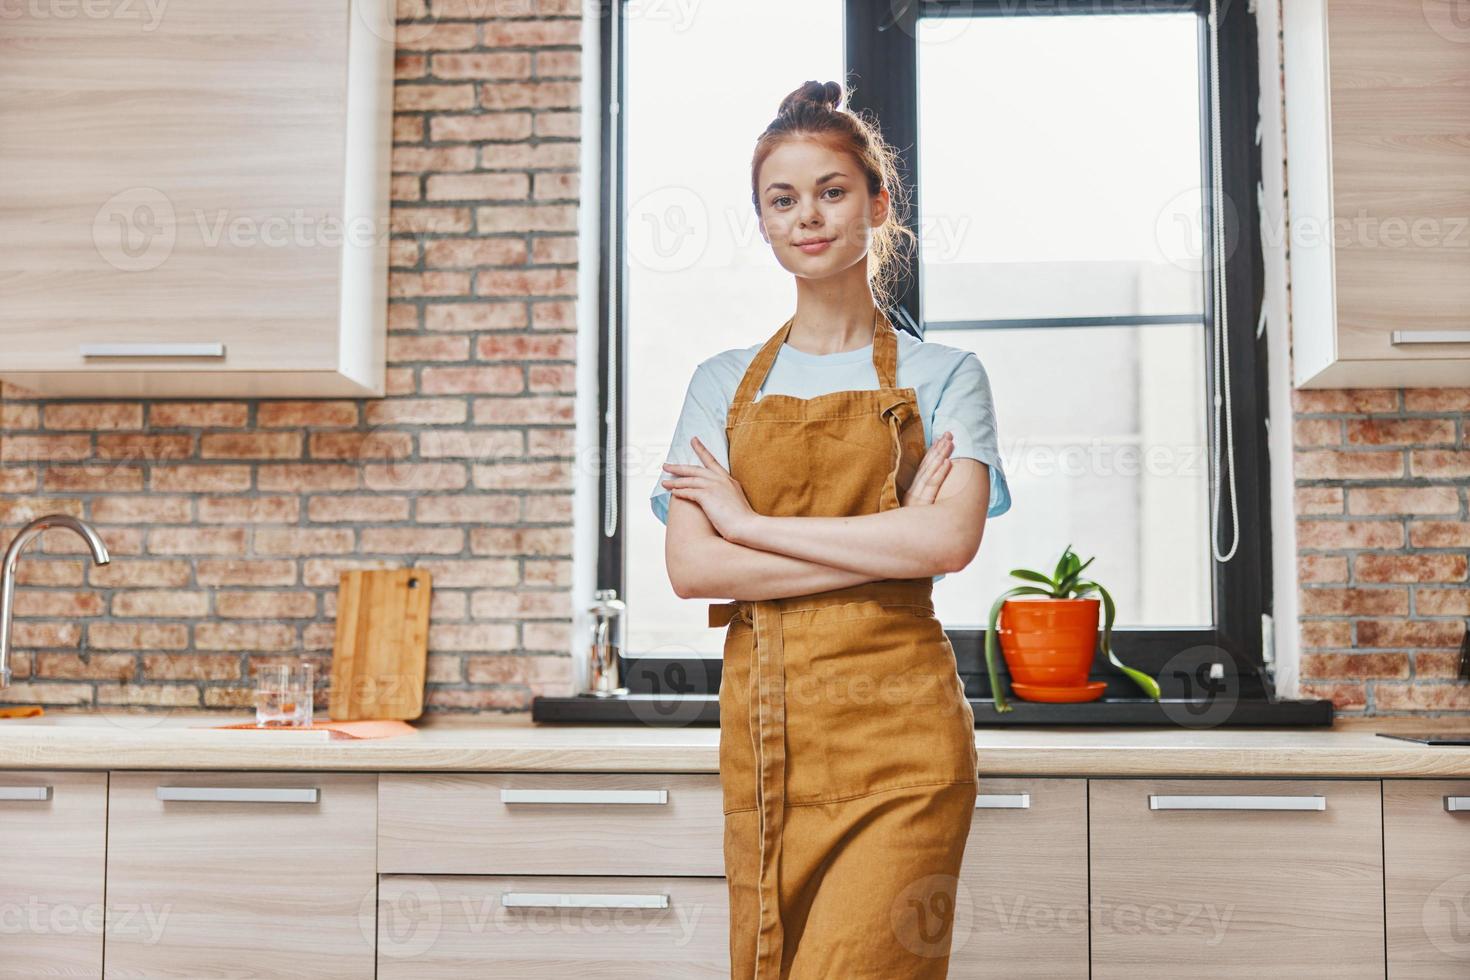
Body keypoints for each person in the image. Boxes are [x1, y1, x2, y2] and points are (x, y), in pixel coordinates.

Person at [652, 78, 1010, 979]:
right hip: (767, 740)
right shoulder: (720, 382)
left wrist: (750, 525)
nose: (807, 216)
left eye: (832, 190)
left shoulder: (947, 375)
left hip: (904, 743)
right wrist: (887, 538)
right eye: (782, 200)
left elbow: (947, 546)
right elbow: (695, 569)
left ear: (876, 202)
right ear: (764, 223)